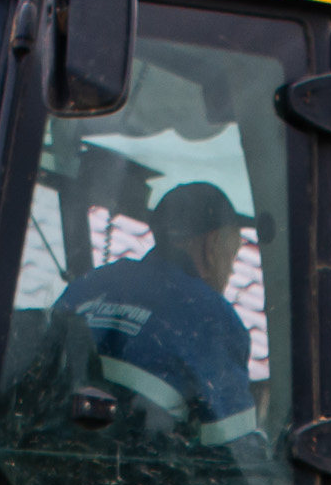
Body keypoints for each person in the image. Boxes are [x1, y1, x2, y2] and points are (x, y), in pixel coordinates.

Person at [60, 180, 259, 433]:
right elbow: (235, 451)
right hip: (138, 468)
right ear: (212, 245)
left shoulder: (87, 287)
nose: (230, 271)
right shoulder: (211, 316)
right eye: (232, 256)